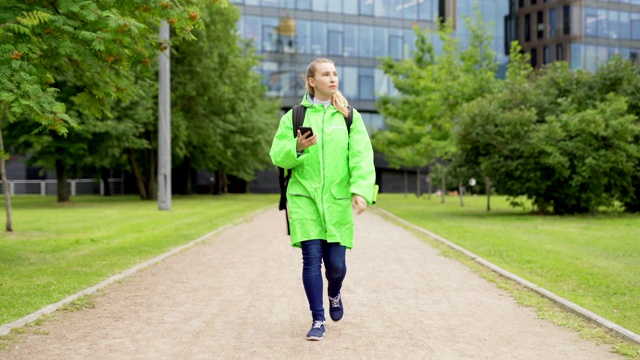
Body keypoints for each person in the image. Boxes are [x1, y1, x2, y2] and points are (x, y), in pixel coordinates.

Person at [269, 58, 376, 341]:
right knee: (311, 260)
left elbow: (362, 156)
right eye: (326, 74)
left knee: (337, 266)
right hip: (304, 198)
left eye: (335, 74)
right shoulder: (294, 117)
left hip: (337, 200)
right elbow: (277, 155)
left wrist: (361, 191)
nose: (333, 78)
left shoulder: (349, 116)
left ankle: (335, 292)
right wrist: (297, 147)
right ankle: (318, 319)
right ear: (312, 81)